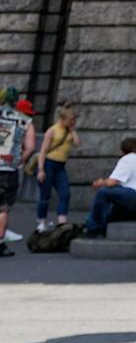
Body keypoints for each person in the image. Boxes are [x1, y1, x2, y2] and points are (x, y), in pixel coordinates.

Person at [82, 138, 136, 236]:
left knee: (103, 192)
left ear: (123, 151)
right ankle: (104, 225)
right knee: (118, 198)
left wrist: (100, 182)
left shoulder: (129, 158)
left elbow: (111, 182)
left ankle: (92, 227)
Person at [31, 102, 80, 234]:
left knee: (65, 194)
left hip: (60, 165)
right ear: (62, 119)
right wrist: (41, 170)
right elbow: (43, 151)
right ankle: (41, 222)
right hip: (49, 163)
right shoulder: (52, 131)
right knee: (45, 195)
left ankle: (62, 221)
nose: (72, 122)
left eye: (74, 120)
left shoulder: (69, 131)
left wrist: (73, 130)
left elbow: (77, 143)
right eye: (71, 120)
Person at [0, 89, 33, 257]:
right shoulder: (25, 120)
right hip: (8, 169)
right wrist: (18, 160)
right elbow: (30, 147)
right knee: (3, 209)